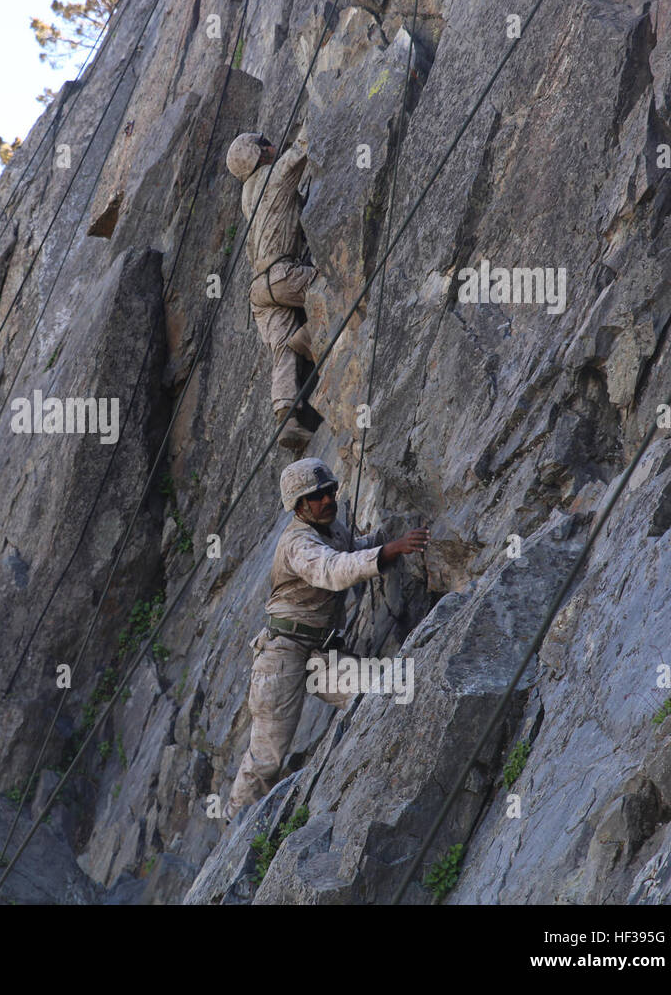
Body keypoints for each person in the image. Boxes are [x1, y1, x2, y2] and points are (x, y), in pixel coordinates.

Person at [223, 457, 429, 822]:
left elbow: (347, 550)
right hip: (282, 655)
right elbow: (332, 570)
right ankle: (235, 833)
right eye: (317, 496)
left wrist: (382, 542)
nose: (327, 500)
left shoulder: (331, 529)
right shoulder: (297, 542)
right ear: (299, 506)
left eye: (330, 491)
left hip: (319, 653)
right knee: (267, 757)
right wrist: (389, 550)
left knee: (376, 693)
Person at [226, 128, 321, 451]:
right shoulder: (272, 178)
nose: (271, 144)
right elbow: (300, 152)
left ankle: (286, 415)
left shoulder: (246, 196)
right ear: (259, 153)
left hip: (259, 289)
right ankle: (309, 336)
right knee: (330, 290)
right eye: (264, 143)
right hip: (283, 273)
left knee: (280, 348)